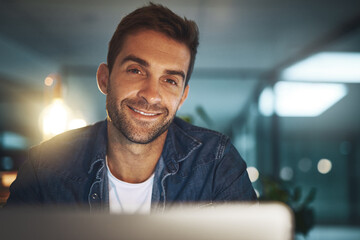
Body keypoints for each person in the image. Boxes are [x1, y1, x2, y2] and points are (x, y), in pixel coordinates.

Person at [6, 3, 256, 213]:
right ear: (105, 78)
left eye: (170, 81)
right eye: (136, 70)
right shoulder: (44, 167)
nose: (150, 95)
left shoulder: (216, 162)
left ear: (182, 97)